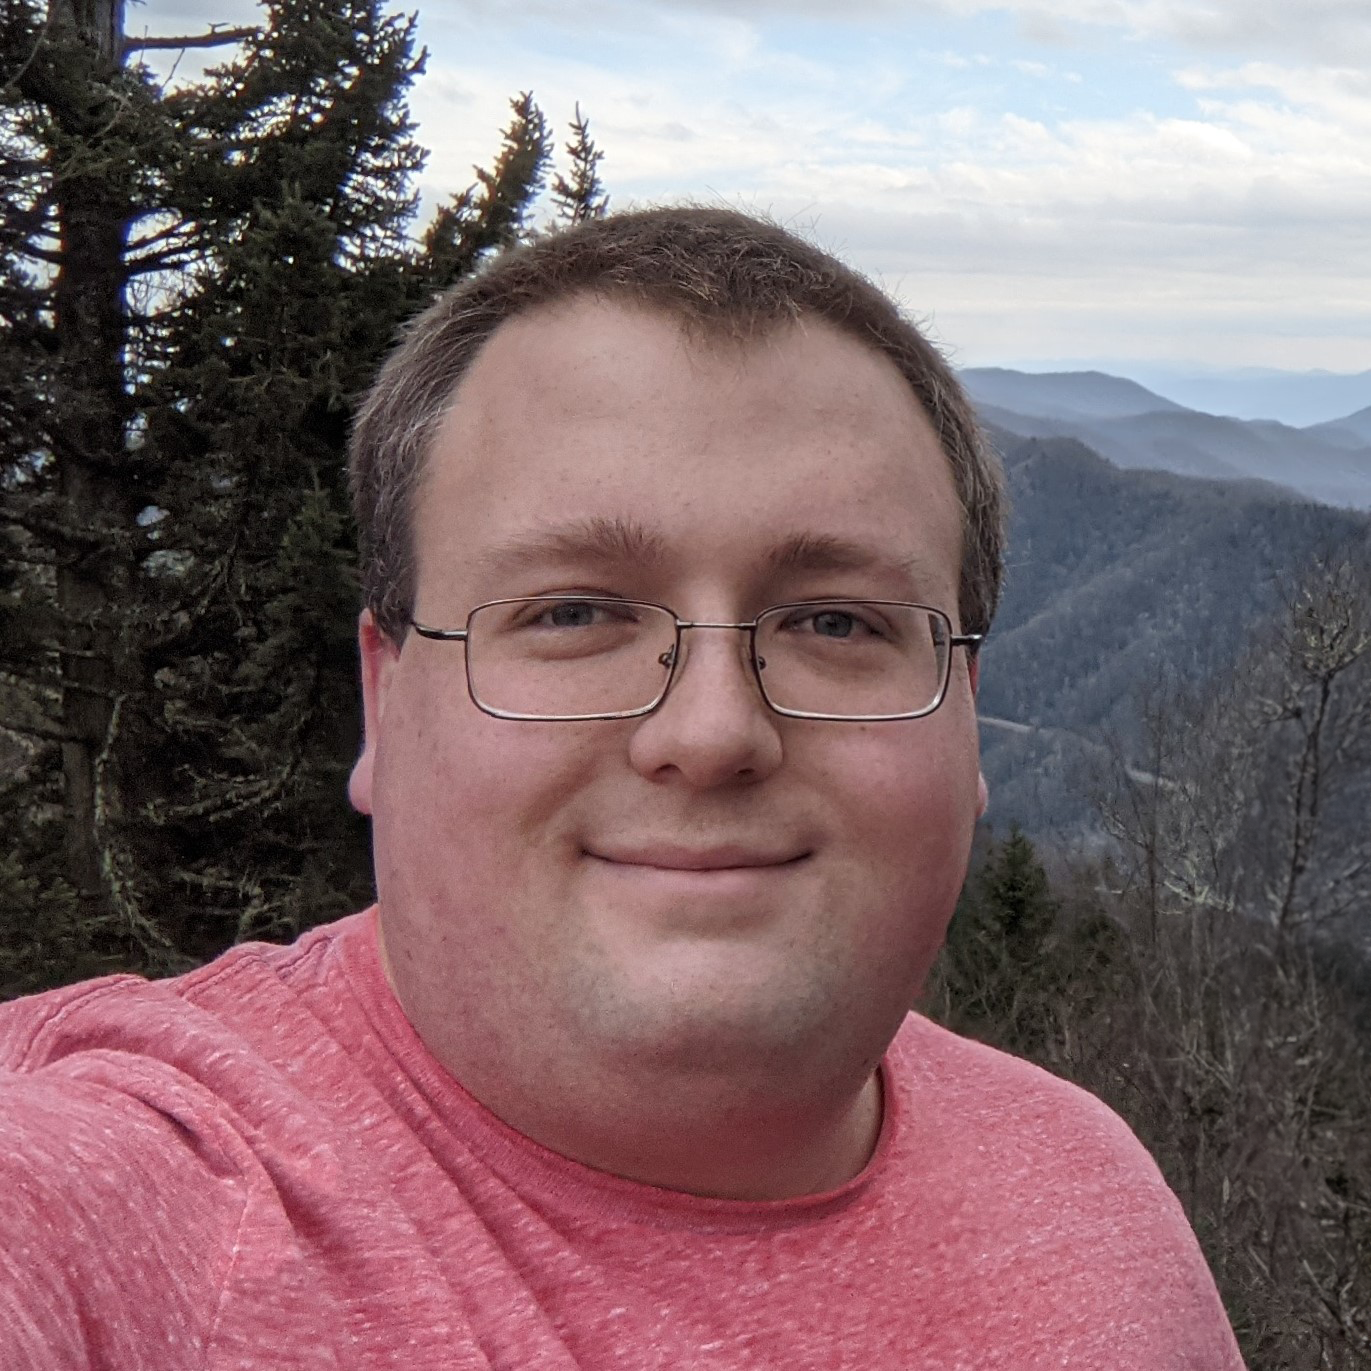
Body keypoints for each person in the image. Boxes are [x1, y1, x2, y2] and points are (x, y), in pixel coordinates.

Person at [1, 207, 1244, 1368]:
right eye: (573, 613)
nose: (711, 731)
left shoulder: (1093, 1198)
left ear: (964, 717)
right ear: (386, 700)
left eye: (834, 621)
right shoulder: (132, 1204)